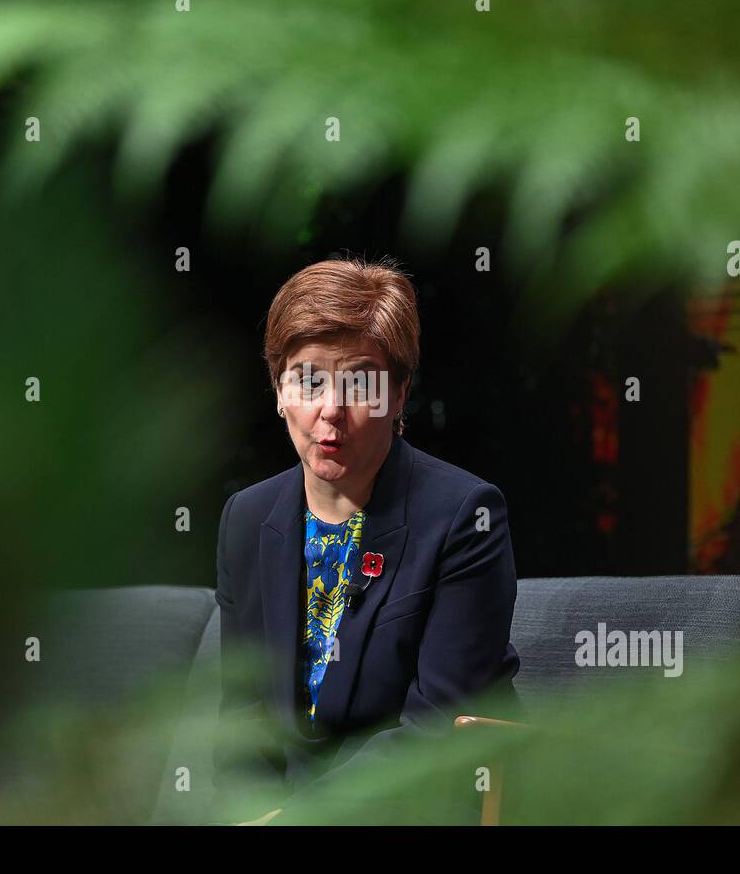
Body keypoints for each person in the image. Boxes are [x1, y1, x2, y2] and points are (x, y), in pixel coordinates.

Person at [211, 255, 521, 825]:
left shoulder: (465, 517)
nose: (331, 410)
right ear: (279, 390)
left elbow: (434, 734)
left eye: (360, 383)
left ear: (399, 396)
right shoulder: (246, 519)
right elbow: (244, 721)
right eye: (307, 380)